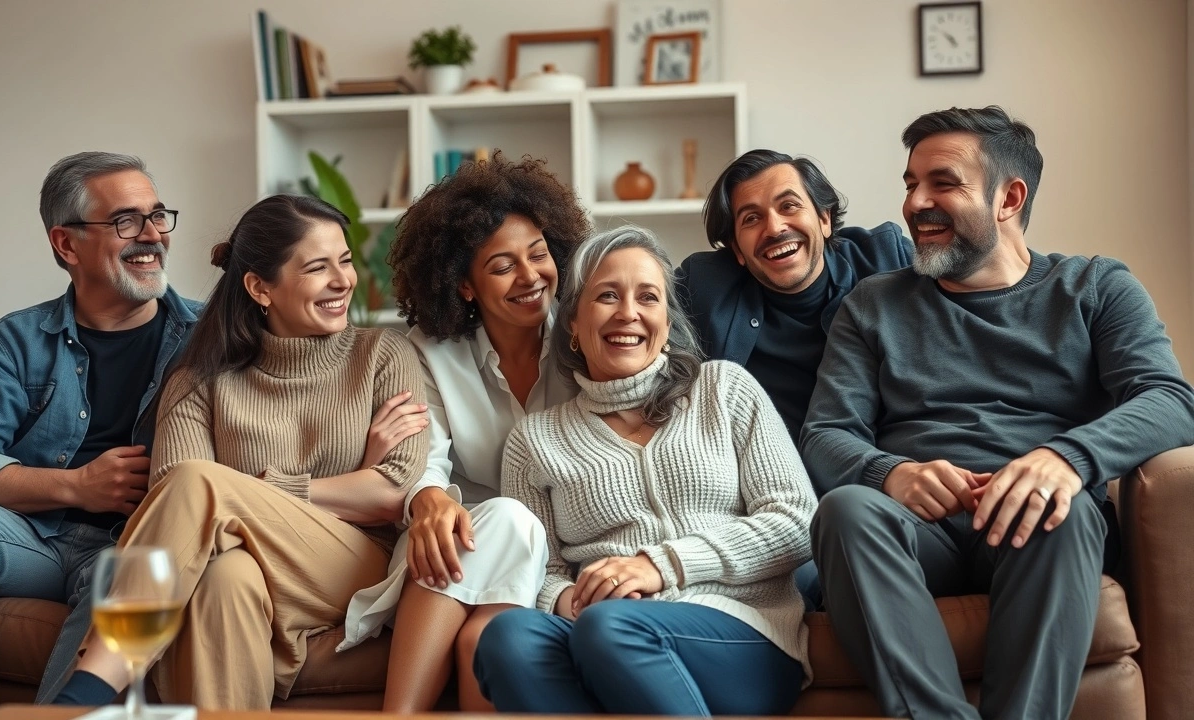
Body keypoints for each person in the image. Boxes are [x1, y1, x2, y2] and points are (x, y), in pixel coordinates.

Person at [801, 106, 1194, 720]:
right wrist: (888, 474)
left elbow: (1170, 400)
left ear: (1009, 197)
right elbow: (826, 433)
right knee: (847, 510)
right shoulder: (873, 304)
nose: (915, 202)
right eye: (910, 184)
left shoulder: (1095, 287)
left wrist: (1066, 460)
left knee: (1056, 512)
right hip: (920, 529)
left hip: (1040, 525)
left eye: (943, 183)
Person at [51, 194, 429, 710]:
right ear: (259, 287)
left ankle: (87, 690)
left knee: (202, 483)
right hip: (241, 566)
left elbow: (390, 495)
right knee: (225, 577)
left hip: (355, 566)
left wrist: (253, 491)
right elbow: (174, 507)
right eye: (318, 267)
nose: (343, 281)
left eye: (344, 261)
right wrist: (350, 481)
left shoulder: (383, 355)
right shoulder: (196, 383)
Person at [474, 225, 817, 716]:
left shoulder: (723, 390)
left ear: (665, 319)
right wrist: (569, 598)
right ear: (571, 321)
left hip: (739, 632)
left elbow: (797, 522)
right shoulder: (535, 440)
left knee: (611, 627)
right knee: (507, 637)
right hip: (601, 633)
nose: (628, 313)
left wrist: (662, 565)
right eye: (607, 296)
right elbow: (538, 570)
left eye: (648, 297)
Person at [0, 151, 201, 720]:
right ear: (66, 245)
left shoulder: (210, 335)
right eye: (126, 221)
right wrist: (75, 486)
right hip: (30, 539)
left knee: (131, 568)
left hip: (130, 544)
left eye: (158, 215)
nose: (152, 235)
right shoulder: (13, 341)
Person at [351, 153, 592, 712]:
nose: (532, 277)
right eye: (503, 266)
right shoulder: (427, 353)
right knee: (504, 519)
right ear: (463, 284)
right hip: (457, 547)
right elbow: (423, 457)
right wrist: (428, 498)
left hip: (562, 548)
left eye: (539, 255)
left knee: (484, 632)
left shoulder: (587, 337)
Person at [677, 149, 912, 609]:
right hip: (774, 511)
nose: (775, 228)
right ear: (738, 254)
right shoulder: (703, 288)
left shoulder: (887, 261)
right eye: (751, 219)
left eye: (789, 206)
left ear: (824, 219)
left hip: (879, 492)